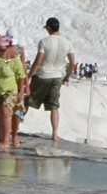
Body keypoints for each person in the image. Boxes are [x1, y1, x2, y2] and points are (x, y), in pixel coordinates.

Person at [26, 15, 74, 145]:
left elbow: (37, 62)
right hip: (57, 77)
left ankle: (14, 128)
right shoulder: (67, 42)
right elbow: (72, 63)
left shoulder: (44, 41)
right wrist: (67, 77)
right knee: (54, 106)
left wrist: (28, 78)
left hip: (42, 76)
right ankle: (55, 134)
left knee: (27, 101)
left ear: (48, 28)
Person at [0, 33, 26, 149]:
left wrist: (21, 92)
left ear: (7, 47)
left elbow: (22, 75)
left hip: (10, 90)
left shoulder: (14, 59)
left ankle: (6, 140)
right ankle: (1, 138)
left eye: (2, 50)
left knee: (5, 111)